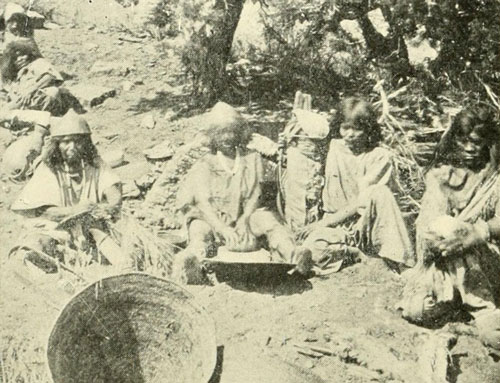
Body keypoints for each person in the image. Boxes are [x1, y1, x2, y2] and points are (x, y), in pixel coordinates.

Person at [173, 102, 313, 284]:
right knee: (199, 230)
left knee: (268, 221)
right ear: (212, 136)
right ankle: (194, 263)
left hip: (244, 216)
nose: (227, 137)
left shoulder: (251, 158)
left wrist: (244, 219)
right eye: (221, 132)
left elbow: (255, 193)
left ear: (240, 133)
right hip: (213, 219)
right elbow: (203, 203)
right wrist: (222, 229)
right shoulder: (206, 163)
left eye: (232, 131)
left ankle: (294, 256)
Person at [399, 105, 500, 350]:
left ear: (487, 142)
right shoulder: (442, 175)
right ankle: (463, 304)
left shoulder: (495, 177)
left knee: (460, 237)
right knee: (418, 310)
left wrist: (476, 233)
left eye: (476, 142)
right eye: (462, 140)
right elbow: (427, 225)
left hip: (486, 260)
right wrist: (443, 239)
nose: (468, 148)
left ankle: (483, 309)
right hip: (445, 258)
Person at [298, 97, 415, 270]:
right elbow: (301, 148)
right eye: (345, 127)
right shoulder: (332, 148)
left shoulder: (379, 156)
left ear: (369, 130)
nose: (350, 134)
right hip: (336, 226)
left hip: (364, 225)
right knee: (312, 247)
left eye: (357, 129)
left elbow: (362, 200)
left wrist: (325, 222)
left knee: (379, 191)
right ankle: (354, 253)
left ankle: (402, 263)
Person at [10, 109, 125, 269]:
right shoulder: (49, 168)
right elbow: (40, 209)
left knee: (113, 241)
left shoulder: (95, 164)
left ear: (86, 142)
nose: (72, 147)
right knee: (37, 245)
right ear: (57, 144)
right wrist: (74, 211)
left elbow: (113, 190)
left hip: (90, 224)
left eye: (77, 141)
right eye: (65, 141)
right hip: (56, 226)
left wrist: (107, 207)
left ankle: (125, 269)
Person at [1, 38, 80, 116]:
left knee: (53, 91)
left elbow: (50, 77)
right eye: (15, 58)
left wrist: (30, 90)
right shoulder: (13, 74)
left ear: (28, 54)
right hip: (21, 102)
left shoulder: (37, 63)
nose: (20, 59)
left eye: (22, 54)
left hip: (38, 98)